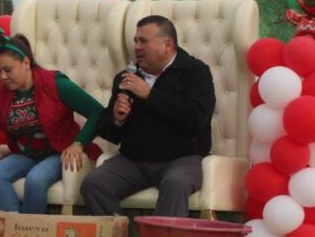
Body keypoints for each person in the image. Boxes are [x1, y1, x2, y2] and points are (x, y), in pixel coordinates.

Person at [0, 35, 104, 214]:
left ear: (26, 63)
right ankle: (14, 229)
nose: (3, 77)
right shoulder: (0, 94)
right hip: (26, 154)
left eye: (8, 70)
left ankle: (32, 233)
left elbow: (97, 112)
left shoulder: (55, 84)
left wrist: (79, 143)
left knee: (36, 179)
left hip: (57, 152)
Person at [80, 15, 215, 218]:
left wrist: (150, 95)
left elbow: (196, 118)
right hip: (133, 161)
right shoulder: (126, 78)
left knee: (176, 184)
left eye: (143, 41)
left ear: (167, 45)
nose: (137, 47)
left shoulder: (195, 72)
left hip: (181, 159)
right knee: (94, 184)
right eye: (136, 41)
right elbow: (109, 132)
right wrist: (117, 119)